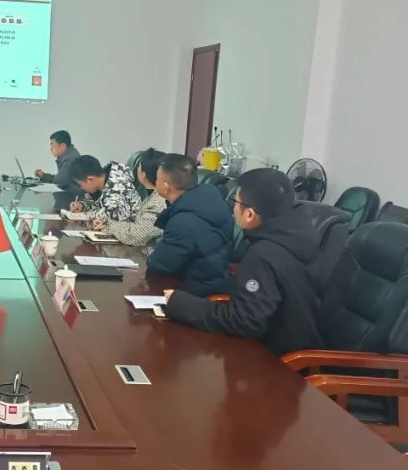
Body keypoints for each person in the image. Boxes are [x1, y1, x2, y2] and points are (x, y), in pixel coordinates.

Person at [162, 168, 323, 355]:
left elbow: (245, 321)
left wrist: (180, 303)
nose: (234, 209)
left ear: (250, 214)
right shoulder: (298, 235)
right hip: (293, 344)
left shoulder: (263, 254)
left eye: (236, 203)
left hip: (277, 360)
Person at [146, 153, 234, 296]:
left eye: (157, 179)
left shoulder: (183, 222)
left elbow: (159, 265)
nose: (155, 183)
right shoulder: (208, 198)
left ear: (166, 187)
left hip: (195, 292)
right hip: (217, 280)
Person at [92, 148, 167, 246]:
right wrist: (107, 224)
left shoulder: (157, 203)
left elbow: (136, 236)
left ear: (143, 174)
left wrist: (108, 226)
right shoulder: (152, 196)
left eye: (139, 166)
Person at [68, 155, 142, 222]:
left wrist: (84, 215)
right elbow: (97, 204)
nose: (82, 188)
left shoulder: (117, 188)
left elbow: (109, 215)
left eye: (80, 185)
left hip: (129, 227)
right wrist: (82, 206)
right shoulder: (102, 182)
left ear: (90, 179)